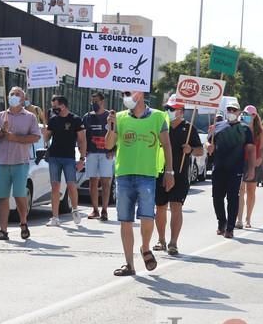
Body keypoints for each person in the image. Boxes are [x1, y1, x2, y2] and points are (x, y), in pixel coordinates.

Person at [105, 91, 174, 275]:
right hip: (124, 175)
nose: (125, 97)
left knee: (146, 217)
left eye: (128, 93)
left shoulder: (159, 117)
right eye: (123, 94)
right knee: (125, 220)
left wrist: (169, 171)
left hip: (147, 175)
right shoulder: (118, 117)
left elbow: (166, 145)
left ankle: (145, 248)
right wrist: (111, 127)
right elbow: (108, 145)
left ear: (140, 94)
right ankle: (129, 264)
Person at [0, 87, 41, 241]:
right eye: (12, 94)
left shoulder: (29, 117)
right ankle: (3, 231)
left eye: (17, 94)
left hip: (20, 163)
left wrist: (15, 138)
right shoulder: (1, 116)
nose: (14, 96)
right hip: (3, 162)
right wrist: (1, 131)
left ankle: (23, 222)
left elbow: (35, 137)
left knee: (19, 195)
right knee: (2, 197)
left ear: (23, 99)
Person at [153, 97, 202, 255]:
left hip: (180, 174)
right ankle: (161, 240)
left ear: (181, 111)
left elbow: (200, 150)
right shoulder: (161, 125)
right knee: (160, 207)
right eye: (168, 108)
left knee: (176, 206)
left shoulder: (189, 128)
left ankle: (173, 242)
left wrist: (190, 150)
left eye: (172, 109)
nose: (169, 111)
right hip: (160, 172)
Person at [207, 102, 255, 238]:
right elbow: (209, 142)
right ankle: (221, 222)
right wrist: (208, 146)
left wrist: (251, 168)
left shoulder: (245, 129)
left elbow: (250, 150)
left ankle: (230, 228)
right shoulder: (218, 126)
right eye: (229, 109)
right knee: (217, 197)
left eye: (234, 110)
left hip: (235, 168)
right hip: (218, 167)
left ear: (239, 112)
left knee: (233, 198)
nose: (231, 112)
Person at [43, 95, 86, 226]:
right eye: (53, 106)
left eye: (55, 106)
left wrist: (82, 159)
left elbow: (82, 140)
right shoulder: (53, 120)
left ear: (63, 105)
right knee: (55, 186)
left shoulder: (75, 119)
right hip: (54, 157)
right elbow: (46, 138)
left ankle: (75, 209)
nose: (54, 109)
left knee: (71, 184)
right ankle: (55, 217)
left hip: (69, 157)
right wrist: (44, 131)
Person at [82, 91, 114, 221]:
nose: (94, 104)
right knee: (93, 181)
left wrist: (113, 149)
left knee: (105, 182)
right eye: (92, 101)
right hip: (92, 153)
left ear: (102, 102)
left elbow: (115, 133)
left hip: (106, 153)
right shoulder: (87, 116)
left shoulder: (110, 116)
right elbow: (83, 135)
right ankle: (95, 209)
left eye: (96, 101)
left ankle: (104, 210)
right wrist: (83, 150)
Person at [237, 105, 263, 229]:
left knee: (251, 191)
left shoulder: (260, 131)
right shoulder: (239, 127)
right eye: (246, 114)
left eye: (251, 114)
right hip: (241, 161)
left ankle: (248, 218)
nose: (248, 116)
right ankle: (239, 219)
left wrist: (260, 159)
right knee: (240, 190)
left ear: (255, 116)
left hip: (255, 163)